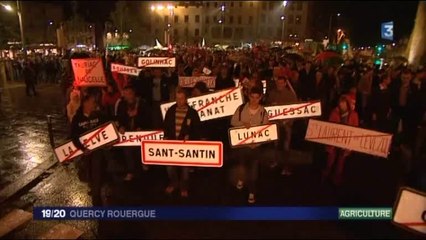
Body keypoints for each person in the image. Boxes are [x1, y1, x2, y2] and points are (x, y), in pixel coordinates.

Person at [230, 87, 269, 204]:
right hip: (242, 146)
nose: (254, 100)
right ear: (249, 96)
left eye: (257, 98)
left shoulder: (263, 112)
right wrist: (242, 124)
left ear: (260, 98)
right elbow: (233, 122)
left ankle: (252, 192)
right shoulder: (241, 108)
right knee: (242, 165)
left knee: (254, 171)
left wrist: (259, 139)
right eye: (252, 97)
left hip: (256, 147)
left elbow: (266, 129)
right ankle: (241, 179)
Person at [70, 94, 110, 205]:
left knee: (96, 168)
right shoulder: (77, 119)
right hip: (85, 153)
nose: (94, 104)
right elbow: (74, 137)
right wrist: (83, 148)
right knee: (90, 173)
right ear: (85, 103)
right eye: (92, 101)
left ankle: (97, 196)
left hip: (97, 151)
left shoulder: (98, 115)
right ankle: (94, 187)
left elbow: (109, 124)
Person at [163, 88, 201, 198]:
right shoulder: (171, 110)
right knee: (169, 167)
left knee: (185, 169)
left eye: (181, 99)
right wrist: (166, 137)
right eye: (177, 99)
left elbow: (197, 130)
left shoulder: (192, 113)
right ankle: (174, 183)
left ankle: (184, 187)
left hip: (186, 147)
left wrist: (191, 137)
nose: (179, 101)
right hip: (171, 145)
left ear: (186, 99)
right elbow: (165, 126)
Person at [322, 95, 359, 186]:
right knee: (330, 161)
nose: (342, 106)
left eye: (344, 104)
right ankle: (324, 177)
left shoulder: (354, 115)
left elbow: (356, 129)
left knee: (340, 164)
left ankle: (336, 181)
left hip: (345, 143)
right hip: (334, 143)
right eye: (340, 104)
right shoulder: (334, 113)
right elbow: (330, 126)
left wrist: (351, 144)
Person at [116, 85, 152, 180]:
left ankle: (144, 163)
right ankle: (130, 171)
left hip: (140, 132)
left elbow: (148, 118)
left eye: (129, 94)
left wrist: (142, 127)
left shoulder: (142, 104)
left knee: (141, 150)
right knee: (127, 151)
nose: (128, 96)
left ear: (133, 94)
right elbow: (119, 119)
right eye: (126, 94)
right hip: (128, 133)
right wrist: (121, 126)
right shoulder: (122, 104)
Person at [266, 76, 298, 175]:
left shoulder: (290, 95)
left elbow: (295, 110)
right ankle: (275, 161)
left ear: (285, 84)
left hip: (287, 124)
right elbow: (268, 108)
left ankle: (286, 166)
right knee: (275, 144)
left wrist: (288, 121)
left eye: (281, 83)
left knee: (286, 146)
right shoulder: (272, 94)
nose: (279, 85)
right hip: (275, 123)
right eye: (278, 83)